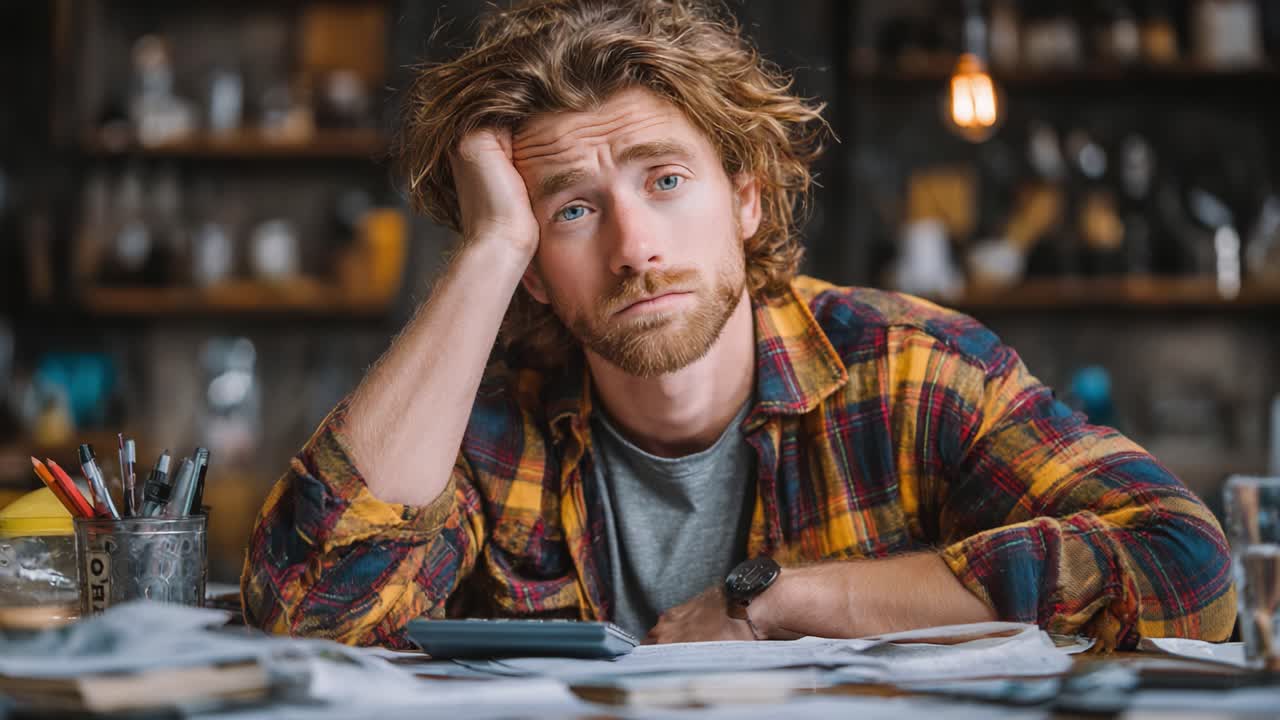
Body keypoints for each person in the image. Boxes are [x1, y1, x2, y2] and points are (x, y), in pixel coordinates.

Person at [242, 0, 1235, 650]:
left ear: (746, 199)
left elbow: (1187, 569)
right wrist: (491, 246)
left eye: (666, 181)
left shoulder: (914, 371)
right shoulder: (483, 424)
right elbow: (307, 613)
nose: (634, 248)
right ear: (536, 269)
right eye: (572, 211)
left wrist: (792, 600)